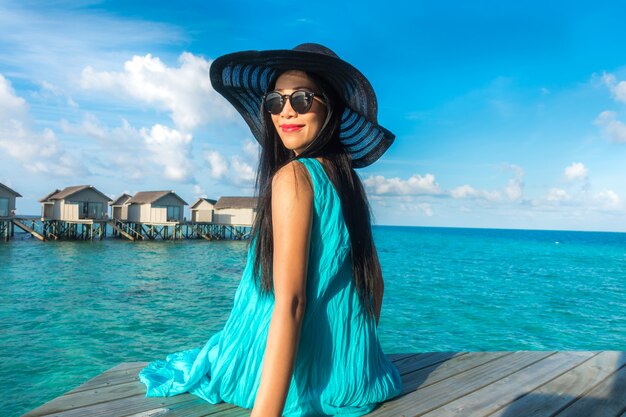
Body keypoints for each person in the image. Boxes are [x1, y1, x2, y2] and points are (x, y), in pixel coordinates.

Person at [139, 43, 402, 417]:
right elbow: (375, 283)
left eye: (302, 98)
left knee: (213, 358)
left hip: (290, 375)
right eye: (276, 102)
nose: (286, 111)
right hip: (354, 376)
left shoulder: (293, 177)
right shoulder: (347, 182)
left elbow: (292, 303)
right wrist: (355, 355)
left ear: (330, 107)